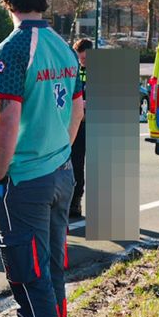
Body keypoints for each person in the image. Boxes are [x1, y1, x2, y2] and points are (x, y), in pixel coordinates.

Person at [0, 0, 83, 317]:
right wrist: (59, 153)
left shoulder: (12, 48)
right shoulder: (64, 48)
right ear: (44, 1)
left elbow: (7, 116)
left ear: (7, 1)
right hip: (61, 173)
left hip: (26, 179)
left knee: (28, 273)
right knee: (52, 271)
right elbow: (78, 109)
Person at [68, 38, 92, 219]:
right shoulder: (74, 70)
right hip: (79, 123)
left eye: (84, 59)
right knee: (76, 163)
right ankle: (75, 201)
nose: (82, 62)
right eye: (80, 59)